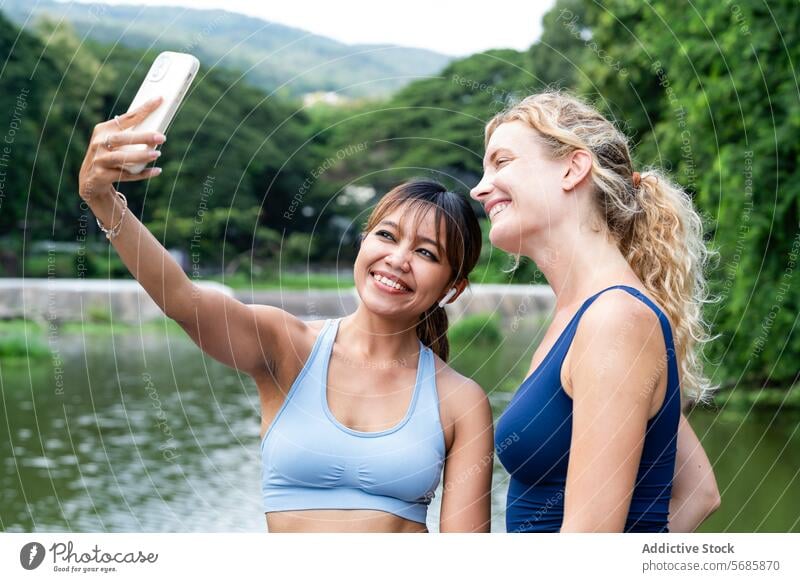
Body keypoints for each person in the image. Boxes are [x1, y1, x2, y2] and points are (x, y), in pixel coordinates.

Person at [78, 97, 493, 533]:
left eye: (426, 252)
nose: (398, 259)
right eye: (387, 236)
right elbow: (183, 300)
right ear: (364, 241)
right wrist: (100, 197)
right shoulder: (286, 345)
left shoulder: (461, 401)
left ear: (452, 287)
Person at [470, 90, 721, 532]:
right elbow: (698, 491)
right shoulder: (585, 316)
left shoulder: (615, 321)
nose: (479, 187)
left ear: (573, 168)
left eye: (501, 162)